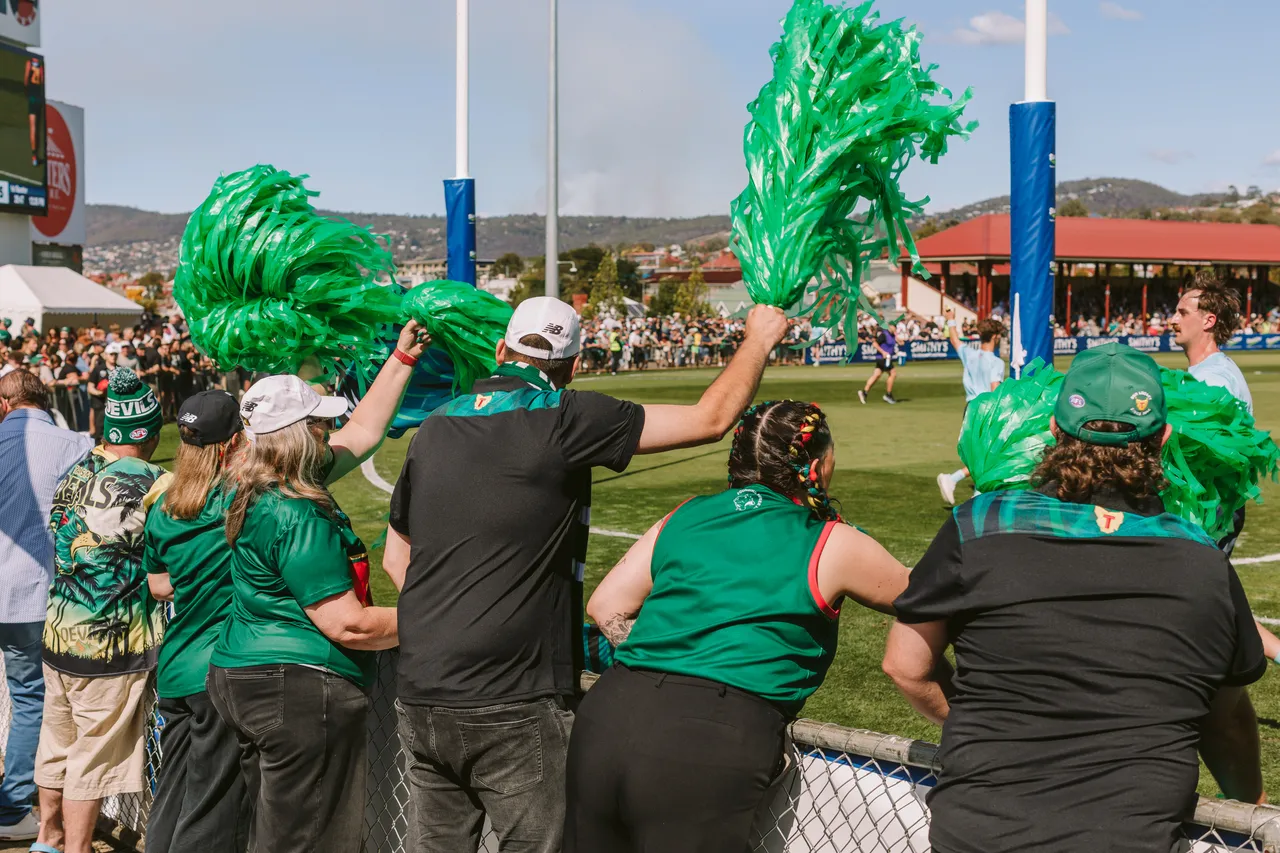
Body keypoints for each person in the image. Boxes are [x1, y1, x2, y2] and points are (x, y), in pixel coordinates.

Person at [382, 298, 789, 853]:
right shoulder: (565, 416)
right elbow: (711, 420)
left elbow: (395, 559)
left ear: (501, 350)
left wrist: (454, 624)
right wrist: (759, 338)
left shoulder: (434, 426)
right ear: (574, 367)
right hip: (512, 695)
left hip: (421, 689)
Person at [883, 343, 1266, 853]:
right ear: (1165, 437)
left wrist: (987, 728)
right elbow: (1227, 722)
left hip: (980, 831)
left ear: (1056, 432)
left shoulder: (979, 524)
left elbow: (905, 665)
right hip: (1131, 838)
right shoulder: (1202, 559)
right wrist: (1254, 809)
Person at [566, 400, 909, 852]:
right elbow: (931, 600)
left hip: (611, 713)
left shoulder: (687, 512)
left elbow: (606, 605)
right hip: (713, 734)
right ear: (817, 465)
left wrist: (669, 663)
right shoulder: (832, 540)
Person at [208, 321, 431, 853]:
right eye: (315, 424)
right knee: (312, 839)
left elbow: (362, 433)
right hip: (298, 688)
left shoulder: (247, 480)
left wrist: (401, 361)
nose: (325, 432)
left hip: (242, 672)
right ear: (294, 435)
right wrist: (436, 618)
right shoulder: (297, 510)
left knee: (276, 831)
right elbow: (347, 624)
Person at [36, 368, 171, 853]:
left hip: (58, 633)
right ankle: (75, 849)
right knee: (91, 761)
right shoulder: (155, 481)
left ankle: (47, 839)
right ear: (152, 433)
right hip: (108, 643)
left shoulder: (77, 468)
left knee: (57, 747)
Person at [142, 391, 249, 853]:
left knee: (171, 794)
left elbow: (158, 584)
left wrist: (193, 578)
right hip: (218, 669)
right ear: (233, 443)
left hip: (177, 669)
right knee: (210, 810)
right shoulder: (240, 499)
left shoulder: (165, 506)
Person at [0, 372, 93, 842]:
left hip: (24, 587)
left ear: (5, 402)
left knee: (30, 697)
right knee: (34, 699)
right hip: (36, 591)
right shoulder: (73, 442)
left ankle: (19, 804)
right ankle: (14, 804)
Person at [1173, 272, 1280, 666]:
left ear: (1208, 320)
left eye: (1183, 311)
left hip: (1208, 514)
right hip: (1206, 511)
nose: (1173, 318)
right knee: (1208, 599)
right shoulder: (1211, 372)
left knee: (1203, 604)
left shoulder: (1214, 379)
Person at [937, 310, 1006, 506]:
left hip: (970, 408)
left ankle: (969, 489)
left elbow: (955, 341)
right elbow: (995, 390)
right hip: (986, 409)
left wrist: (951, 321)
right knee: (989, 453)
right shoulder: (996, 362)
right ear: (994, 337)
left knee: (983, 453)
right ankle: (956, 481)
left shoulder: (970, 354)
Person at [858, 322, 899, 405]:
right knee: (893, 373)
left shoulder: (892, 336)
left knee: (876, 375)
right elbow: (875, 343)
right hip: (883, 358)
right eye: (893, 326)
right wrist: (883, 352)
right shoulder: (884, 335)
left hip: (885, 358)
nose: (894, 328)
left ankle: (864, 392)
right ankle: (888, 395)